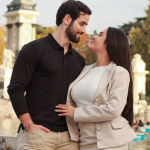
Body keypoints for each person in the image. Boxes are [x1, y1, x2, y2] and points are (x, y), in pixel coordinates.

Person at [7, 1, 92, 150]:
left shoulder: (79, 60)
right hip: (37, 136)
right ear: (67, 19)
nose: (84, 30)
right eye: (82, 23)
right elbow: (15, 88)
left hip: (69, 139)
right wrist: (29, 125)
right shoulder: (33, 49)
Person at [56, 27, 137, 150]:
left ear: (109, 43)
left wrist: (76, 113)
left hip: (111, 143)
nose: (94, 36)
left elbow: (113, 109)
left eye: (100, 35)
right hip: (84, 141)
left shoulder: (119, 72)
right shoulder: (85, 70)